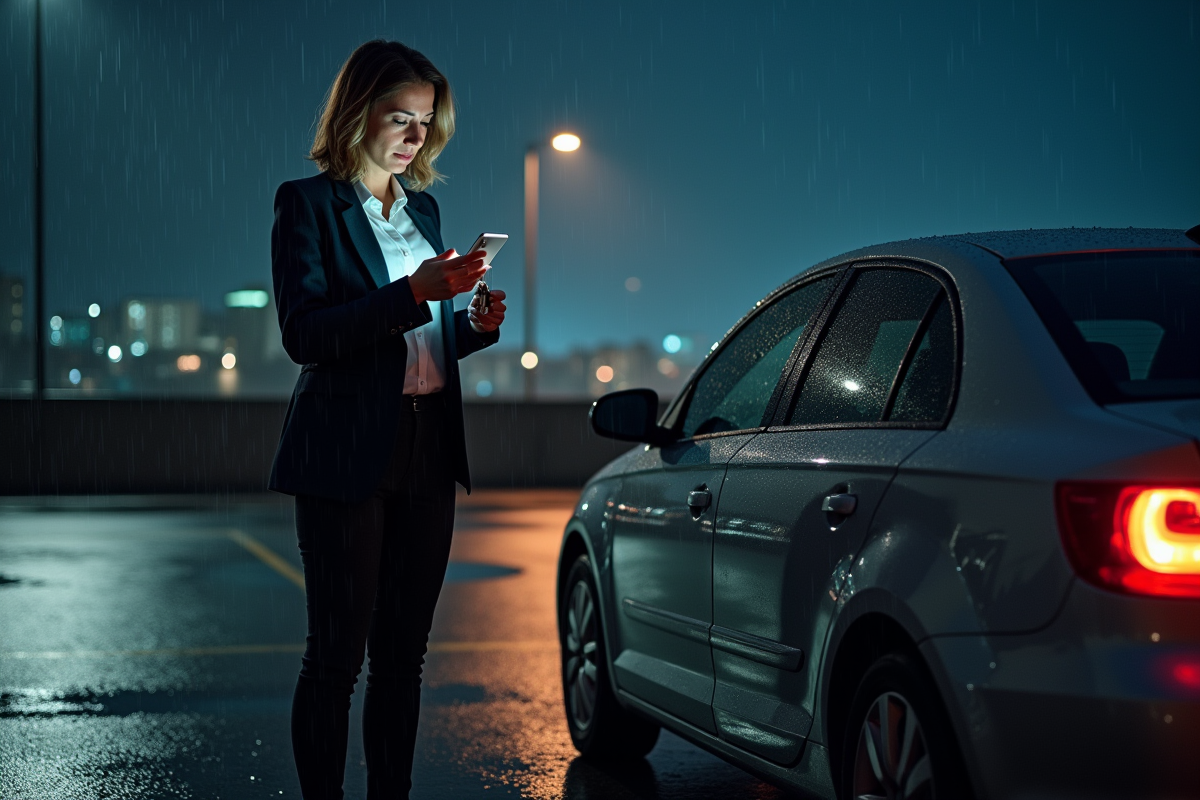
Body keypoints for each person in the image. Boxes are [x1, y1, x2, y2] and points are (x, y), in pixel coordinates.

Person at [267, 39, 506, 799]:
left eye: (425, 122)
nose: (414, 137)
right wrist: (413, 293)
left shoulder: (424, 209)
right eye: (398, 118)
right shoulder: (306, 204)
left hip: (429, 446)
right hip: (343, 451)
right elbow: (306, 335)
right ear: (356, 114)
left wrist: (472, 325)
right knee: (335, 659)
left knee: (404, 656)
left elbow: (418, 344)